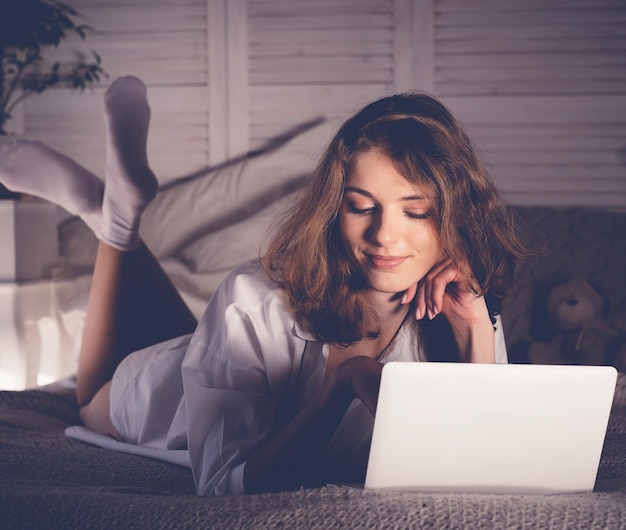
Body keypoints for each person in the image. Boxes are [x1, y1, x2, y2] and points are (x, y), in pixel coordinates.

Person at [0, 77, 527, 495]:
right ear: (331, 208)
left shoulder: (468, 306)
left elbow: (481, 454)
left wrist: (478, 331)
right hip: (173, 388)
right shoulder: (252, 301)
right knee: (90, 401)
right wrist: (344, 384)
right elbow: (227, 485)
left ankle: (117, 219)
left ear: (454, 217)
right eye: (361, 206)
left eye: (416, 212)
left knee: (189, 336)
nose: (384, 235)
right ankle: (115, 225)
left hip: (214, 353)